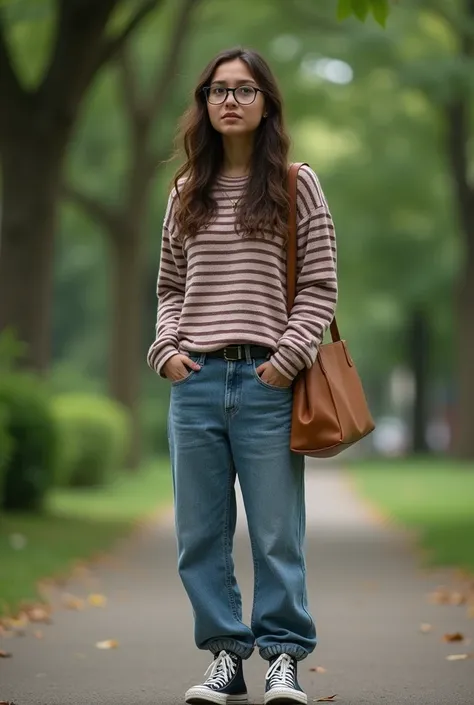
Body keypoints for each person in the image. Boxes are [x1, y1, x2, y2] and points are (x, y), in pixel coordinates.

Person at [147, 46, 338, 705]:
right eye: (217, 90)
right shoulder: (185, 192)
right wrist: (165, 348)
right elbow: (169, 286)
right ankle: (226, 656)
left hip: (266, 384)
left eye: (244, 90)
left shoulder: (296, 184)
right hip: (194, 383)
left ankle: (283, 658)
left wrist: (284, 363)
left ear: (267, 105)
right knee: (198, 536)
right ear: (203, 104)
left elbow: (319, 285)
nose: (229, 100)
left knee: (276, 532)